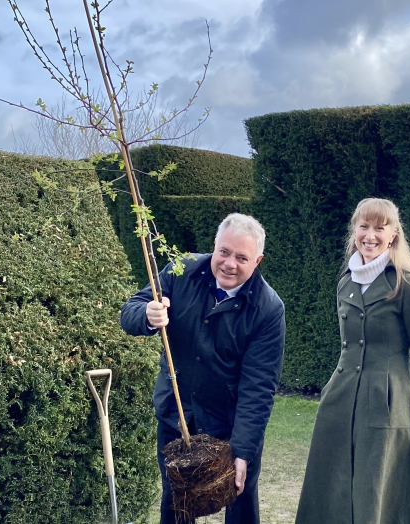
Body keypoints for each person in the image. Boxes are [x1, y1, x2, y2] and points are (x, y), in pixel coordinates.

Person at [120, 213, 286, 524]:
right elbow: (129, 312)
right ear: (214, 245)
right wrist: (147, 313)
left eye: (242, 257)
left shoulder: (268, 309)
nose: (229, 264)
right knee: (176, 504)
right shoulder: (181, 271)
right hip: (178, 415)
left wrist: (243, 451)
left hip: (231, 424)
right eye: (223, 252)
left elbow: (259, 386)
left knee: (240, 501)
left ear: (258, 260)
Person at [295, 198, 410, 524]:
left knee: (374, 496)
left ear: (393, 234)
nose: (371, 235)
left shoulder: (409, 284)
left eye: (380, 227)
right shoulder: (345, 283)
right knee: (330, 492)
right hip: (339, 403)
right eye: (364, 226)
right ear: (354, 231)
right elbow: (348, 349)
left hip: (388, 410)